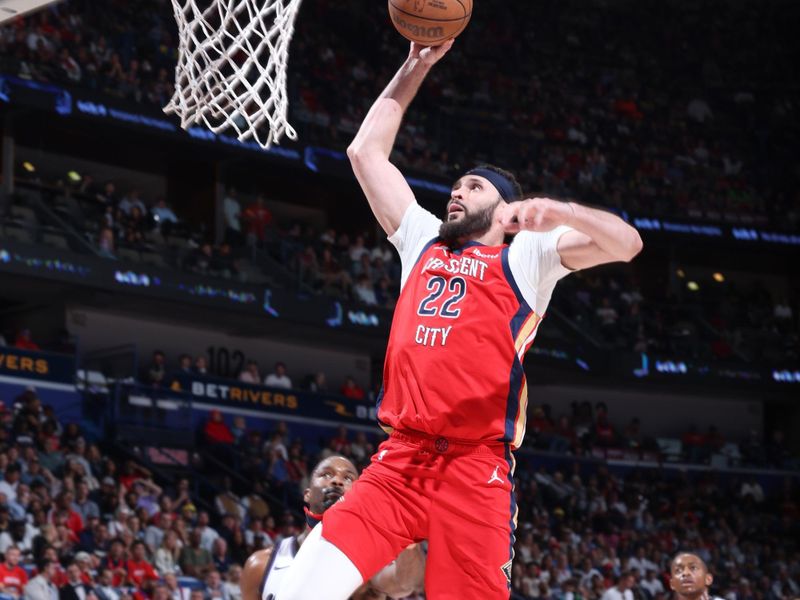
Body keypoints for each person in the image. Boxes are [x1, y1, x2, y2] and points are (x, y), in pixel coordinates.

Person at [276, 40, 642, 600]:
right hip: (399, 460)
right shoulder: (420, 239)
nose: (456, 192)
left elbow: (628, 244)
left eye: (474, 187)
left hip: (475, 471)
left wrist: (563, 212)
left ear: (505, 211)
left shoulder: (529, 254)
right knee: (299, 590)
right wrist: (415, 64)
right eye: (455, 185)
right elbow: (364, 154)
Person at [242, 456, 424, 600]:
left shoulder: (368, 557)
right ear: (307, 493)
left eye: (348, 478)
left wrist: (409, 540)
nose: (337, 481)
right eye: (327, 475)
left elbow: (403, 585)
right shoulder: (261, 565)